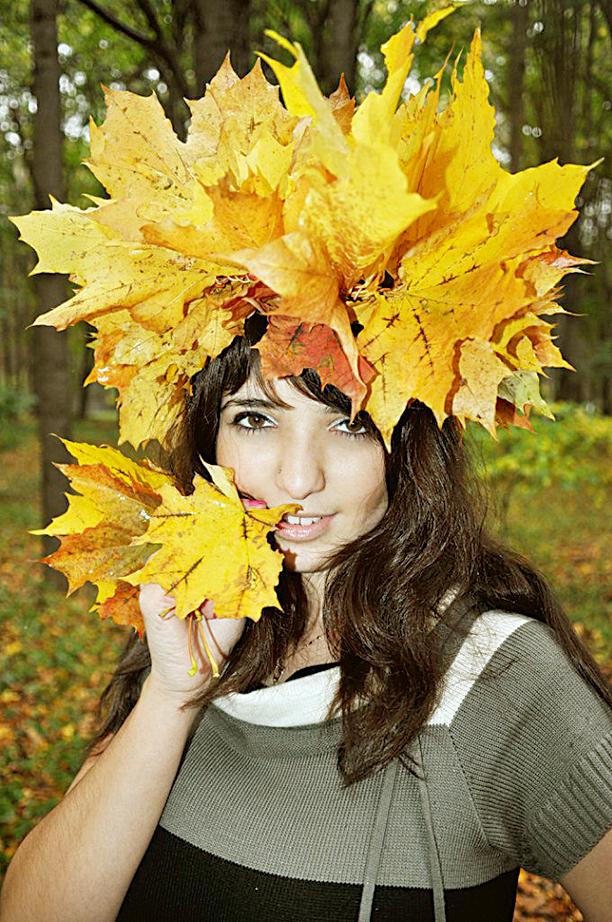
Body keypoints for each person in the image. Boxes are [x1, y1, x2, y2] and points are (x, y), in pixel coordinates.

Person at [1, 325, 611, 922]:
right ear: (209, 436)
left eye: (351, 423)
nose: (296, 479)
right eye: (254, 419)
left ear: (409, 443)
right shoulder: (195, 622)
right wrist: (172, 695)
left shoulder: (500, 681)